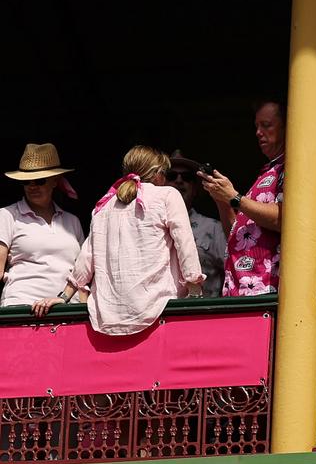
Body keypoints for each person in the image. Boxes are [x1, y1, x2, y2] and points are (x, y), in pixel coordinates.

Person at [33, 146, 203, 335]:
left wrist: (65, 296)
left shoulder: (104, 204)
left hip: (107, 319)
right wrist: (195, 293)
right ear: (157, 175)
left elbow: (86, 256)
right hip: (158, 313)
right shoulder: (168, 195)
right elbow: (185, 245)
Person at [200, 100, 285, 296]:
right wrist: (222, 200)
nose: (258, 132)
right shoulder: (267, 172)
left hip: (265, 290)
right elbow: (238, 235)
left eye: (266, 125)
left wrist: (234, 197)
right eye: (256, 126)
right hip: (239, 291)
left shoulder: (291, 166)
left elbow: (284, 218)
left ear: (288, 126)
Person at [0, 143, 84, 308]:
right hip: (22, 307)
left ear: (55, 181)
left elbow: (83, 272)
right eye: (26, 182)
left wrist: (84, 308)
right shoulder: (7, 215)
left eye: (39, 180)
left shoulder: (72, 221)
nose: (32, 186)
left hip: (68, 310)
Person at [166, 151, 227, 297]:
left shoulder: (214, 228)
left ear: (195, 189)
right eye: (171, 176)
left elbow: (235, 271)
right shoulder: (150, 225)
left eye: (186, 177)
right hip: (161, 314)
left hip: (203, 314)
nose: (179, 181)